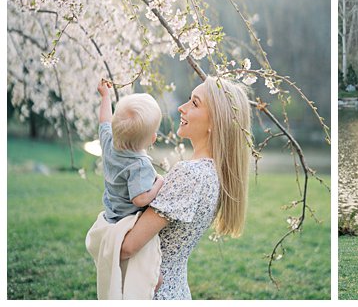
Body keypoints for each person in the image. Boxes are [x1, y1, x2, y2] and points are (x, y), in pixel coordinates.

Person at [119, 77, 252, 299]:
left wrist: (103, 229)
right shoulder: (213, 173)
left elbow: (128, 247)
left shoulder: (191, 174)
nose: (182, 107)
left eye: (194, 103)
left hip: (154, 294)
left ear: (215, 123)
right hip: (174, 290)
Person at [85, 79, 165, 299]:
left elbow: (103, 119)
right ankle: (151, 279)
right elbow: (139, 200)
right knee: (146, 252)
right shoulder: (140, 165)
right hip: (129, 218)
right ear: (152, 139)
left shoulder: (109, 143)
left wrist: (105, 96)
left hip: (111, 212)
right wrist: (159, 184)